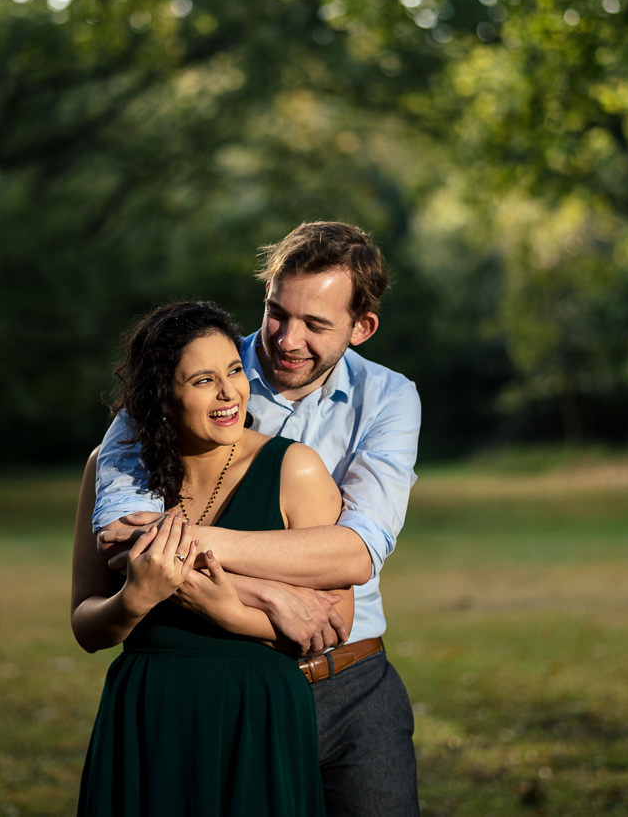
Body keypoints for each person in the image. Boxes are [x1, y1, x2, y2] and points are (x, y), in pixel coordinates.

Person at [93, 221, 422, 817]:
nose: (287, 339)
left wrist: (197, 543)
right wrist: (269, 595)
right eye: (276, 313)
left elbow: (354, 551)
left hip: (351, 681)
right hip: (223, 680)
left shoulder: (391, 399)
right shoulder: (189, 367)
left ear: (362, 327)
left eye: (317, 324)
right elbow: (122, 532)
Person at [71, 300, 351, 816]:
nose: (229, 394)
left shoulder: (295, 469)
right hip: (146, 717)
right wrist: (132, 602)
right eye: (203, 381)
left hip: (258, 718)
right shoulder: (110, 474)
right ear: (162, 396)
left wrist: (230, 612)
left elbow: (334, 622)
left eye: (235, 371)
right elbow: (87, 626)